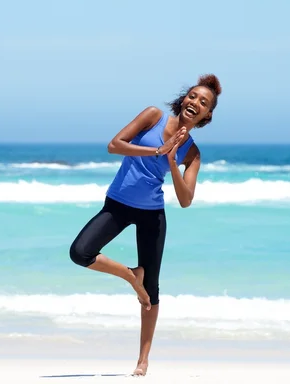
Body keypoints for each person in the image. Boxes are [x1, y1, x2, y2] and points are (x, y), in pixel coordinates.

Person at [69, 74, 222, 376]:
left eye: (203, 103)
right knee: (80, 252)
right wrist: (155, 151)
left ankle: (143, 361)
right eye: (193, 96)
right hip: (118, 204)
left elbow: (186, 199)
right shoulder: (153, 116)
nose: (196, 102)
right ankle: (130, 276)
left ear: (206, 115)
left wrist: (170, 161)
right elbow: (114, 145)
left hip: (152, 213)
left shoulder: (191, 153)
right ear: (184, 98)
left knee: (151, 292)